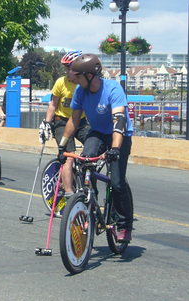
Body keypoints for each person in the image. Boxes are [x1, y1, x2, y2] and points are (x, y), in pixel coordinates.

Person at [58, 54, 134, 242]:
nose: (73, 78)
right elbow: (74, 120)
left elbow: (119, 121)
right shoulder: (80, 92)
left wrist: (115, 149)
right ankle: (90, 203)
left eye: (77, 75)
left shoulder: (112, 89)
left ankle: (124, 224)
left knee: (116, 182)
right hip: (98, 132)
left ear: (90, 75)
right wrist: (61, 147)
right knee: (85, 162)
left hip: (119, 135)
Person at [39, 50, 90, 197]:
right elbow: (53, 105)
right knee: (69, 155)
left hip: (80, 122)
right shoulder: (60, 82)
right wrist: (47, 123)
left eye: (70, 68)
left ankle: (84, 177)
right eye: (66, 68)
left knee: (95, 146)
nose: (67, 71)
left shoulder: (84, 83)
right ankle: (69, 193)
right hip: (61, 122)